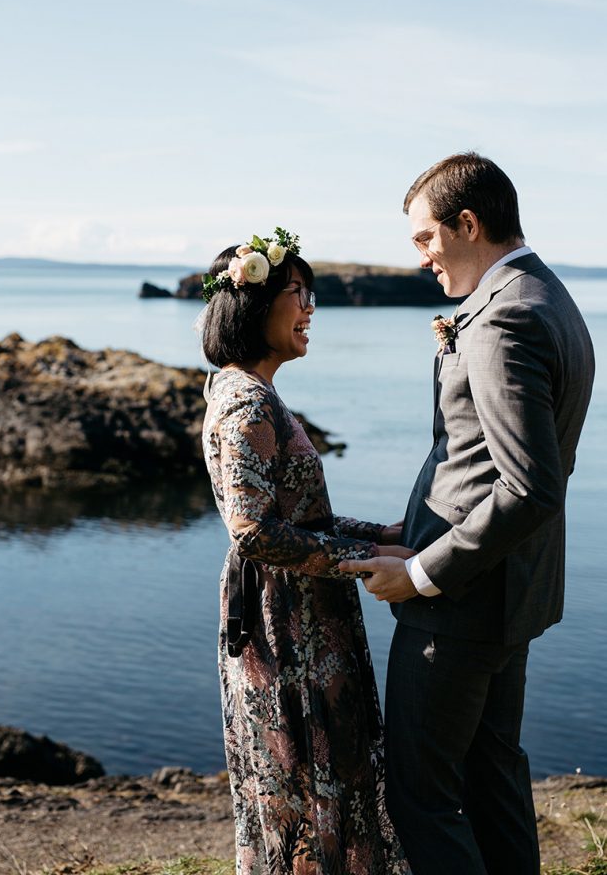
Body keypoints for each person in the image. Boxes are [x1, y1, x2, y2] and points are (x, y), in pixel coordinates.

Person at [341, 152, 595, 874]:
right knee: (491, 779)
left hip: (460, 604)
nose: (420, 257)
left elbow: (527, 487)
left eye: (425, 238)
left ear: (467, 222)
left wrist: (421, 571)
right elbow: (479, 462)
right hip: (510, 593)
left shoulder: (501, 320)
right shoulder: (546, 296)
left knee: (420, 798)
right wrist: (408, 532)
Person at [200, 229, 408, 875]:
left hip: (298, 620)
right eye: (299, 293)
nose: (310, 308)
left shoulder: (249, 391)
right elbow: (254, 531)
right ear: (255, 305)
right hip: (287, 633)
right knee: (303, 789)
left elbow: (303, 517)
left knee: (314, 788)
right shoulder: (245, 400)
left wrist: (386, 535)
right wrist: (358, 561)